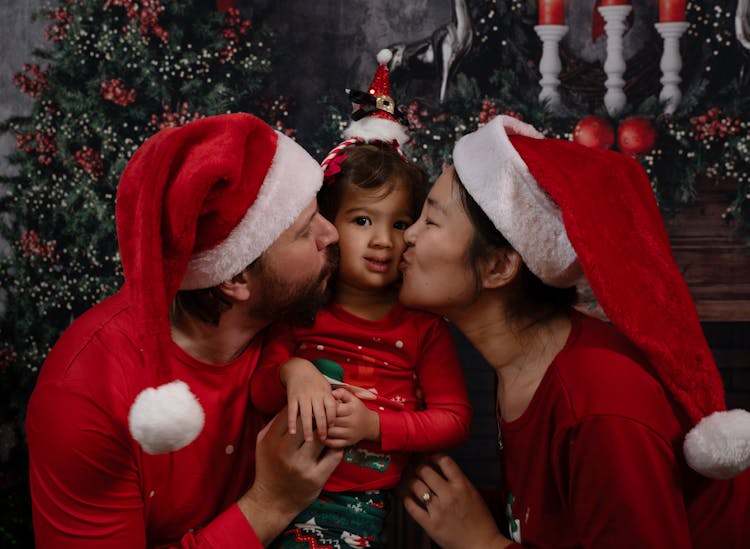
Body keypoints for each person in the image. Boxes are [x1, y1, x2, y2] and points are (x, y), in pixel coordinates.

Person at [397, 115, 750, 548]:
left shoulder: (598, 406)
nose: (406, 237)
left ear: (499, 266)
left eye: (430, 223)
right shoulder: (523, 366)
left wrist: (481, 543)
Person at [25, 113, 345, 548]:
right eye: (306, 230)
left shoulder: (296, 314)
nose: (332, 233)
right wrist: (270, 503)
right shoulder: (87, 395)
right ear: (235, 279)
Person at [250, 51, 473, 548]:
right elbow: (259, 394)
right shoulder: (304, 307)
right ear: (329, 224)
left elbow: (455, 418)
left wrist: (377, 425)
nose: (383, 242)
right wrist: (295, 372)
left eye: (400, 224)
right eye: (363, 221)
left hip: (356, 509)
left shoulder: (422, 327)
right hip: (275, 489)